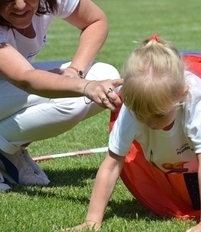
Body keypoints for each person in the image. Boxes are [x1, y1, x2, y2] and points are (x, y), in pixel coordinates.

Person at [67, 34, 201, 232]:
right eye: (143, 115)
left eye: (158, 115)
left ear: (181, 95)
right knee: (197, 201)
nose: (150, 122)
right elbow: (112, 164)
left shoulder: (196, 99)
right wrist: (92, 220)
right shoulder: (134, 107)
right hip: (184, 144)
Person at [0, 0, 123, 191]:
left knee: (107, 78)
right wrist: (85, 87)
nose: (20, 5)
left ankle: (5, 149)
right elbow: (25, 79)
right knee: (72, 97)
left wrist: (76, 72)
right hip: (17, 79)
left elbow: (95, 21)